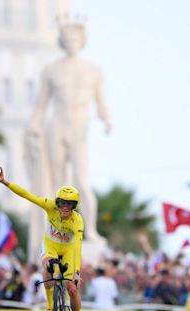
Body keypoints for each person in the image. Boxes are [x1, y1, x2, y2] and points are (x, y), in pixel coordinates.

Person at [24, 17, 112, 261]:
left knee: (82, 182)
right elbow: (41, 104)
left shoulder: (94, 71)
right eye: (67, 38)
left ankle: (91, 230)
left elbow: (101, 102)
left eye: (76, 38)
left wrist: (107, 119)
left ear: (82, 41)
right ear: (61, 41)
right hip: (57, 126)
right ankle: (56, 229)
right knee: (56, 182)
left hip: (80, 127)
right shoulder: (51, 70)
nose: (72, 42)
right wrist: (34, 124)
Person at [0, 166, 85, 311]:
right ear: (57, 202)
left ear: (74, 206)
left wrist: (76, 272)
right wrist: (6, 183)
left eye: (69, 205)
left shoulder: (77, 221)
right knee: (47, 266)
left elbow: (77, 247)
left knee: (72, 288)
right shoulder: (50, 206)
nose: (65, 208)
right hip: (50, 245)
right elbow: (28, 196)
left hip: (68, 250)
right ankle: (50, 306)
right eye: (62, 203)